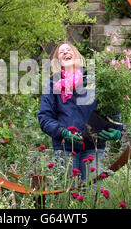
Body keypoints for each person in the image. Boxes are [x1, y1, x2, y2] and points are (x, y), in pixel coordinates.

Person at [37, 40, 122, 181]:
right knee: (67, 195)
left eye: (69, 50)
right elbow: (44, 118)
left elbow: (111, 106)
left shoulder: (94, 79)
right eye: (61, 52)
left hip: (94, 147)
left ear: (77, 55)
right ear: (57, 61)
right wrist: (62, 132)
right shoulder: (53, 85)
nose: (65, 52)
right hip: (65, 149)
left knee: (93, 194)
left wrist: (117, 131)